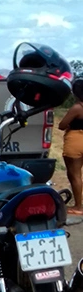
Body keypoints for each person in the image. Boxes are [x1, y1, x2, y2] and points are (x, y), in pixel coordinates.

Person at [59, 79, 83, 215]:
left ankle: (78, 206)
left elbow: (62, 125)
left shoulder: (77, 108)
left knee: (75, 175)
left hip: (75, 141)